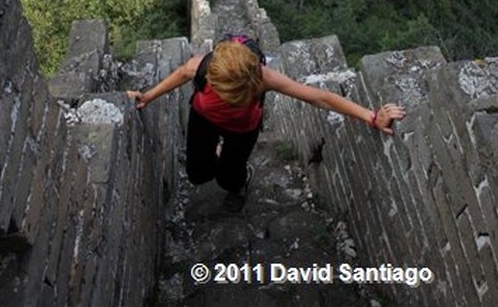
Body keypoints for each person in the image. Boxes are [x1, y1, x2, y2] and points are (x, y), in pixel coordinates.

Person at [127, 38, 406, 203]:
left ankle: (239, 177)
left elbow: (320, 97)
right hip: (203, 119)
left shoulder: (264, 78)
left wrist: (371, 117)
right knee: (198, 175)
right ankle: (217, 151)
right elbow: (179, 75)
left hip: (242, 129)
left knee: (228, 179)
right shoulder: (201, 66)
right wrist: (147, 97)